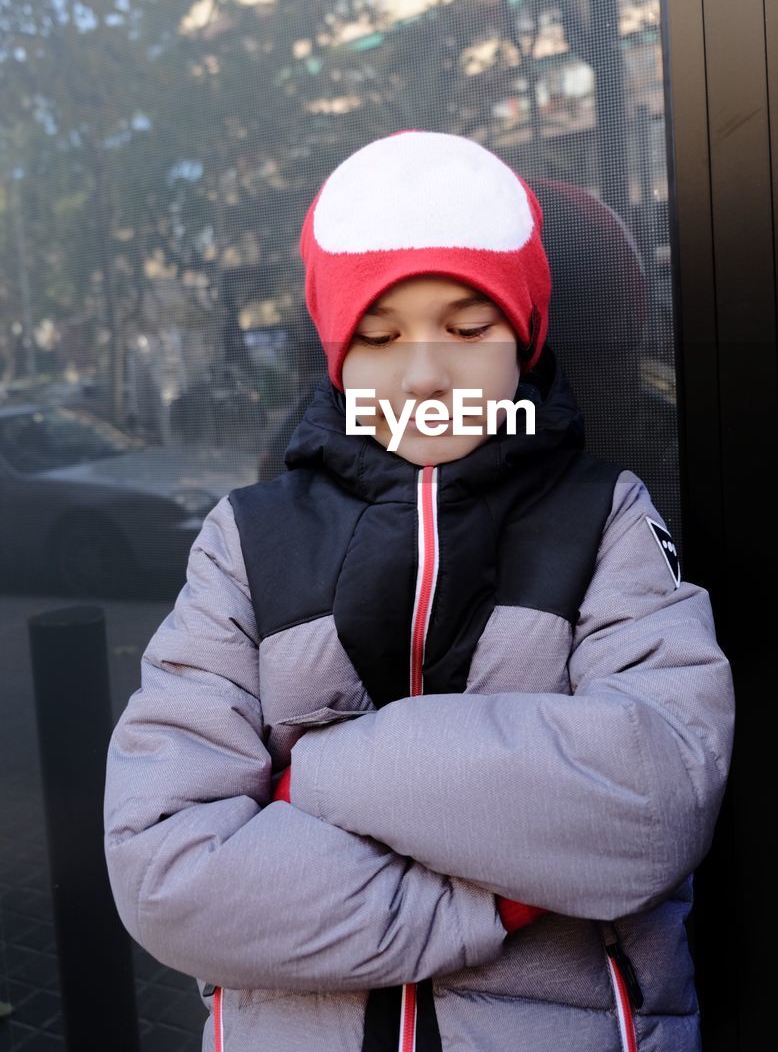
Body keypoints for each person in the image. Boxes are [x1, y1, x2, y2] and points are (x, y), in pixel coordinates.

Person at [103, 129, 735, 1052]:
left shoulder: (603, 517)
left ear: (523, 337)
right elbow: (166, 867)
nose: (426, 371)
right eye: (380, 332)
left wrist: (311, 776)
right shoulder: (248, 540)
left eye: (469, 327)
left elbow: (653, 799)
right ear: (337, 354)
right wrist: (495, 897)